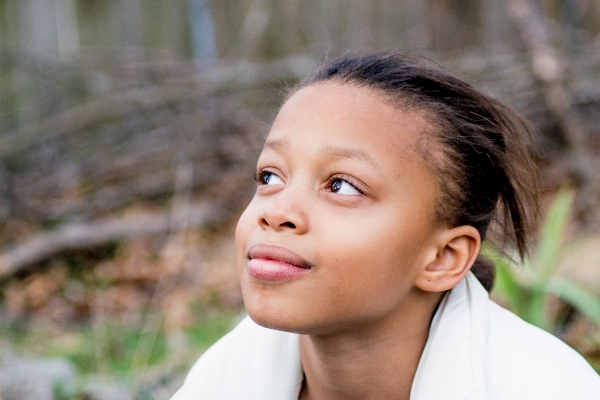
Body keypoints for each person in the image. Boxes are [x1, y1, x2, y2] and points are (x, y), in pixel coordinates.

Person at [171, 52, 600, 399]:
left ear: (442, 258)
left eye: (341, 185)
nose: (277, 209)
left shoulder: (550, 388)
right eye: (270, 177)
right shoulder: (225, 376)